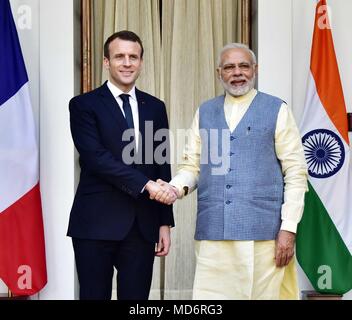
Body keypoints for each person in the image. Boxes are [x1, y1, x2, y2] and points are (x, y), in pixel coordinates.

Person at [155, 43, 308, 299]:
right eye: (229, 67)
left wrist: (288, 228)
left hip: (263, 235)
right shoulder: (205, 111)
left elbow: (295, 172)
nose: (237, 72)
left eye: (243, 66)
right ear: (219, 73)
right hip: (213, 234)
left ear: (255, 70)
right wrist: (174, 188)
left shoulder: (277, 109)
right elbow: (192, 166)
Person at [67, 30, 176, 300]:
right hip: (95, 224)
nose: (127, 63)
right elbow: (96, 158)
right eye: (119, 57)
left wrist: (165, 223)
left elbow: (161, 164)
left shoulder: (155, 107)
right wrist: (146, 184)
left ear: (140, 62)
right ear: (107, 62)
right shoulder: (83, 105)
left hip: (142, 226)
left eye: (133, 57)